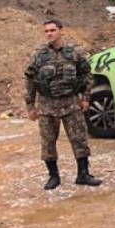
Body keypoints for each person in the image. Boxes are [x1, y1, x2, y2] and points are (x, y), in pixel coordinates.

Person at [25, 18, 102, 190]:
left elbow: (86, 75)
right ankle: (53, 177)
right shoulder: (38, 55)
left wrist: (86, 98)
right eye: (46, 31)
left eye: (52, 30)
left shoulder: (75, 53)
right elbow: (30, 80)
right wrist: (30, 105)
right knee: (48, 142)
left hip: (70, 103)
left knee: (79, 139)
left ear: (61, 31)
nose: (49, 34)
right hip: (46, 105)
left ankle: (83, 174)